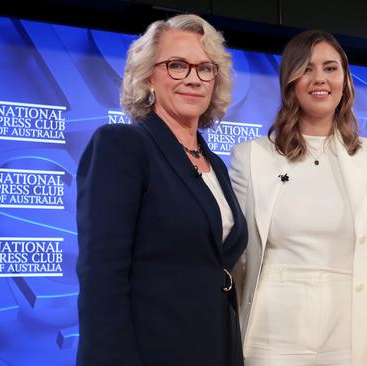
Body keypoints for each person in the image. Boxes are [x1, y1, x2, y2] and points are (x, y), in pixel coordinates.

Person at [229, 30, 367, 366]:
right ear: (290, 82)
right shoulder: (251, 156)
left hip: (351, 334)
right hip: (271, 336)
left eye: (330, 68)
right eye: (307, 68)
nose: (320, 79)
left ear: (345, 80)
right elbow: (237, 256)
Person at [76, 14, 247, 365]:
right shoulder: (121, 146)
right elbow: (102, 279)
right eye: (177, 65)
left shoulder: (214, 165)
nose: (193, 79)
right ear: (148, 75)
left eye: (205, 68)